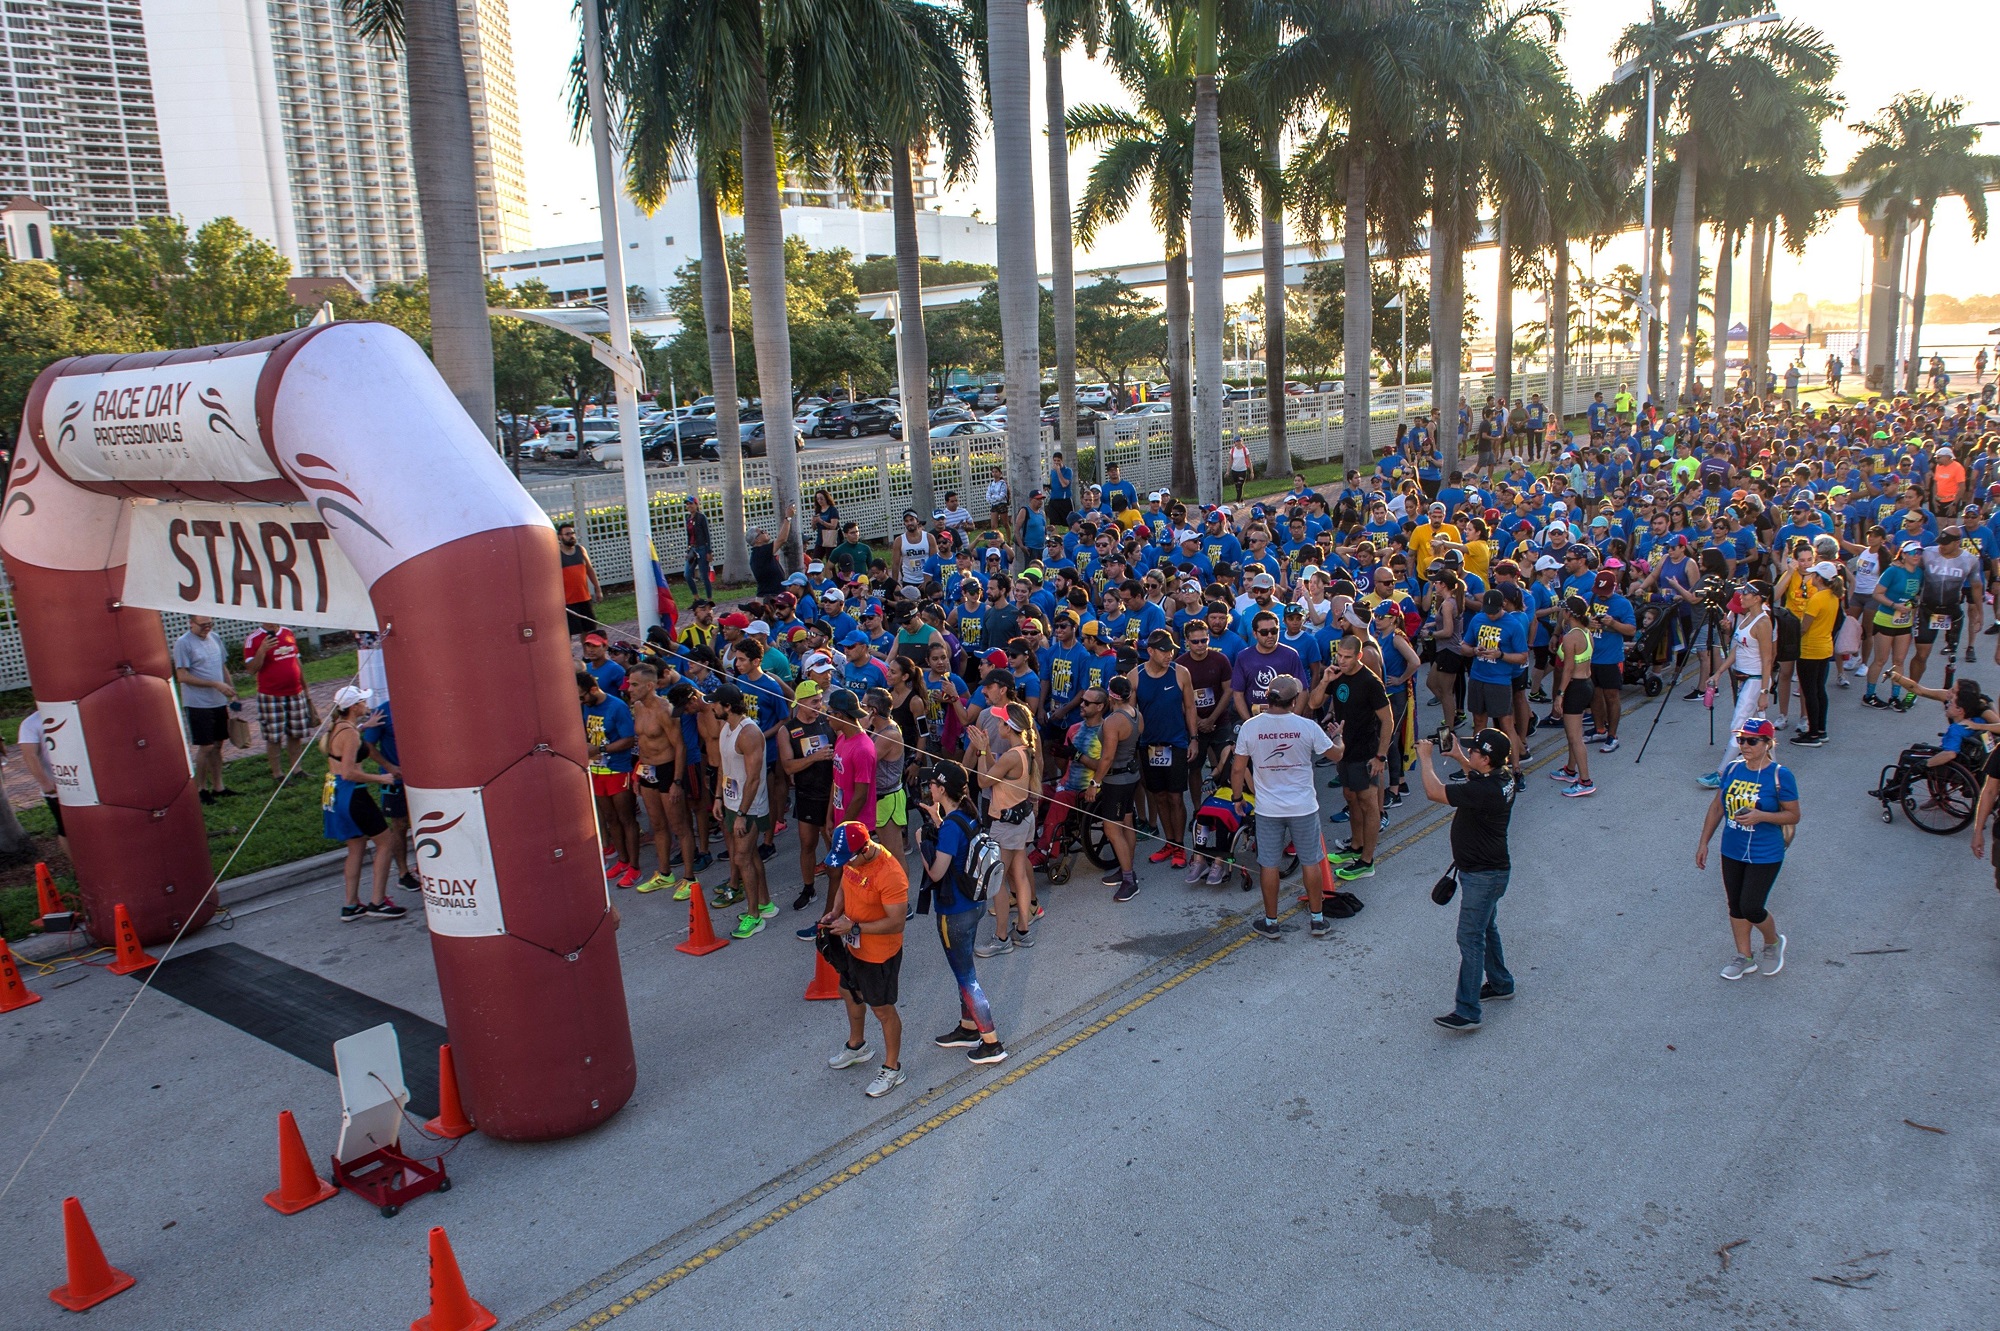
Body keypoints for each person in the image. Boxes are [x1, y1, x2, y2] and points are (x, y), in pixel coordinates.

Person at [1413, 727, 1514, 1031]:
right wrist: (1458, 756)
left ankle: (1468, 1010)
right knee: (1487, 928)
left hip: (1482, 877)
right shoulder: (1503, 778)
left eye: (1474, 752)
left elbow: (1434, 792)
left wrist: (1425, 759)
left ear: (1486, 760)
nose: (1470, 753)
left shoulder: (1483, 791)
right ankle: (1501, 983)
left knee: (1470, 938)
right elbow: (1478, 776)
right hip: (1491, 872)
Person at [1231, 674, 1336, 940]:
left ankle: (1271, 922)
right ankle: (1317, 919)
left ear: (1268, 696)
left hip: (1269, 809)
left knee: (1269, 864)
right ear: (1294, 701)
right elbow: (1336, 755)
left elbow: (1238, 768)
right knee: (1311, 862)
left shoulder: (1251, 727)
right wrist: (1340, 738)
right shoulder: (1307, 726)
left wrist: (1237, 798)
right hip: (1303, 807)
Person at [1694, 717, 1797, 980]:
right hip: (1732, 849)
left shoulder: (1780, 776)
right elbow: (1717, 807)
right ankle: (1744, 956)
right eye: (1741, 740)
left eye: (1752, 741)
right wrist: (1704, 841)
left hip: (1766, 852)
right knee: (1735, 906)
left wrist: (1762, 816)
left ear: (1768, 743)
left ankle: (1773, 942)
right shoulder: (1732, 769)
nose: (1745, 745)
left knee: (1751, 906)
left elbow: (1793, 815)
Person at [919, 763, 1009, 1063]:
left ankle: (991, 1042)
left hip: (954, 912)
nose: (929, 787)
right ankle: (969, 1027)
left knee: (966, 977)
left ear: (941, 789)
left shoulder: (950, 828)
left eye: (932, 783)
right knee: (964, 971)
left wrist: (922, 843)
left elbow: (936, 873)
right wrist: (937, 819)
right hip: (975, 905)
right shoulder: (966, 816)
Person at [817, 821, 909, 1099]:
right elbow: (845, 883)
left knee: (882, 1009)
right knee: (848, 992)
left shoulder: (890, 874)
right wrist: (835, 912)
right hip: (853, 945)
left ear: (866, 848)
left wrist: (854, 927)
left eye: (850, 859)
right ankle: (858, 1046)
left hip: (880, 953)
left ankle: (893, 1068)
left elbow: (896, 923)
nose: (847, 864)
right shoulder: (851, 860)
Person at [320, 685, 407, 922]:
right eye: (362, 701)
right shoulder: (348, 733)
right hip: (353, 794)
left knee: (356, 847)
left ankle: (350, 905)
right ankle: (377, 901)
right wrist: (381, 777)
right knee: (386, 842)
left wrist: (363, 727)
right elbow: (349, 772)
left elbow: (349, 747)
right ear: (354, 706)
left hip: (334, 793)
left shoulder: (339, 727)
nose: (367, 705)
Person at [1318, 635, 1395, 883]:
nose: (1341, 660)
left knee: (1368, 802)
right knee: (1351, 798)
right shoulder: (1336, 674)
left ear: (1359, 656)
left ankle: (1367, 861)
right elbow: (1313, 702)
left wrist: (1381, 756)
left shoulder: (1370, 682)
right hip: (1344, 751)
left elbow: (1388, 721)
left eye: (1347, 657)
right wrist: (1325, 681)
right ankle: (1356, 846)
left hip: (1366, 753)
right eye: (1339, 655)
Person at [969, 700, 1041, 942]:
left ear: (1009, 727)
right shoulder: (1023, 750)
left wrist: (980, 751)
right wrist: (987, 749)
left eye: (1000, 721)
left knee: (997, 879)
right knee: (1018, 876)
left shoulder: (1012, 755)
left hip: (1007, 823)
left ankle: (1001, 937)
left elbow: (983, 781)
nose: (997, 723)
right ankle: (1022, 929)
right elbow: (996, 770)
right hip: (1022, 820)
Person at [1697, 582, 1775, 789]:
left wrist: (1764, 692)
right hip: (1745, 680)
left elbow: (1768, 660)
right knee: (1759, 726)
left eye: (1747, 592)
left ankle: (1722, 773)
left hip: (1755, 681)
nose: (1742, 595)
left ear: (1758, 597)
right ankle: (1772, 770)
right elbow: (1735, 650)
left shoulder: (1763, 623)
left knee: (1737, 727)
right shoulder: (1746, 617)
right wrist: (1719, 672)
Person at [627, 663, 695, 894]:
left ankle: (689, 877)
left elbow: (679, 747)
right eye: (629, 683)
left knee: (680, 826)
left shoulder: (665, 710)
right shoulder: (637, 707)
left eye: (634, 684)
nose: (629, 688)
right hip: (647, 771)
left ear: (650, 685)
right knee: (657, 825)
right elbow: (643, 745)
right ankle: (664, 873)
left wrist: (677, 781)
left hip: (667, 770)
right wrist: (638, 774)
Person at [1132, 629, 1196, 871]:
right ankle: (1169, 843)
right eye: (1164, 651)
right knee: (1158, 796)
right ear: (1150, 651)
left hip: (1176, 744)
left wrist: (1194, 739)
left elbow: (1190, 708)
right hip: (1149, 746)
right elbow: (1130, 714)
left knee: (1176, 797)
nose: (1169, 655)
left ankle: (1180, 846)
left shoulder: (1181, 673)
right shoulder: (1135, 676)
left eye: (1171, 650)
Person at [712, 682, 773, 936]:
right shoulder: (727, 726)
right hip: (731, 802)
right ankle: (765, 903)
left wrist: (741, 814)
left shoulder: (749, 734)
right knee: (751, 857)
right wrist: (717, 797)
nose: (711, 706)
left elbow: (755, 778)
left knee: (741, 858)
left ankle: (754, 916)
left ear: (728, 706)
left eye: (715, 702)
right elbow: (723, 766)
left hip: (749, 808)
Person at [579, 669, 641, 888]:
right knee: (610, 818)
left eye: (583, 696)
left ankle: (634, 867)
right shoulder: (586, 706)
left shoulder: (617, 707)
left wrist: (600, 748)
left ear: (593, 689)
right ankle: (622, 861)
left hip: (618, 769)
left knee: (626, 819)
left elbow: (628, 739)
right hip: (597, 771)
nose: (581, 701)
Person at [780, 679, 837, 911]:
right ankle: (808, 887)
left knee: (833, 842)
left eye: (820, 700)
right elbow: (788, 767)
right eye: (814, 701)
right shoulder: (788, 730)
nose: (819, 704)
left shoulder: (828, 721)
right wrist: (815, 757)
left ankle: (841, 884)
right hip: (807, 795)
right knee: (807, 844)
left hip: (831, 793)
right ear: (801, 703)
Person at [172, 615, 236, 804]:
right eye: (203, 625)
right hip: (198, 703)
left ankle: (219, 786)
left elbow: (222, 666)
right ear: (191, 623)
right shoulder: (183, 643)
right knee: (206, 746)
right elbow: (182, 676)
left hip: (218, 701)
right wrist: (214, 684)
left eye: (210, 624)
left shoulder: (215, 637)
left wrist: (231, 690)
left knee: (218, 744)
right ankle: (201, 789)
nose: (207, 628)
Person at [1094, 675, 1143, 900]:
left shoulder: (1113, 721)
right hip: (1131, 776)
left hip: (1116, 781)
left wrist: (1095, 783)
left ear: (1110, 695)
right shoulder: (1136, 715)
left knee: (1112, 829)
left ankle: (1128, 878)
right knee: (1127, 823)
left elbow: (1107, 757)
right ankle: (1126, 870)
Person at [244, 622, 312, 780]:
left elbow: (296, 661)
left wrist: (305, 689)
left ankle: (297, 769)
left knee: (296, 733)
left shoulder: (288, 632)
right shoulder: (253, 639)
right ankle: (278, 774)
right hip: (271, 695)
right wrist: (262, 650)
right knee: (274, 736)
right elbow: (251, 669)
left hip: (295, 692)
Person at [1791, 563, 1840, 748]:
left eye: (1814, 575)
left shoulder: (1817, 598)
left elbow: (1804, 627)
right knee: (1819, 689)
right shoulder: (1833, 596)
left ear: (1819, 578)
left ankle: (1812, 735)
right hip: (1825, 648)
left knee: (1809, 691)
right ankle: (1821, 729)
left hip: (1810, 649)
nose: (1811, 577)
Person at [14, 709, 67, 860]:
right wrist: (45, 783)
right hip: (57, 788)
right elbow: (29, 755)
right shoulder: (30, 723)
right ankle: (79, 870)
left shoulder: (72, 712)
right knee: (65, 829)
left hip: (85, 785)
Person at [558, 521, 603, 638]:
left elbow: (590, 570)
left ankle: (587, 655)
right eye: (567, 534)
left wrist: (598, 589)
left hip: (584, 598)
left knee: (589, 631)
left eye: (572, 533)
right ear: (560, 537)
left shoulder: (581, 550)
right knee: (569, 633)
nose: (571, 536)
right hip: (568, 602)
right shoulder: (556, 554)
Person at [683, 497, 714, 599]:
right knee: (687, 574)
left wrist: (709, 551)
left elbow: (707, 534)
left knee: (704, 576)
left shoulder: (701, 517)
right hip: (692, 549)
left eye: (691, 503)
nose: (689, 506)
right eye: (687, 504)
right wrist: (688, 550)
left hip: (702, 548)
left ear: (696, 504)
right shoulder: (688, 519)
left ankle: (709, 600)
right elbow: (689, 535)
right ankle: (696, 598)